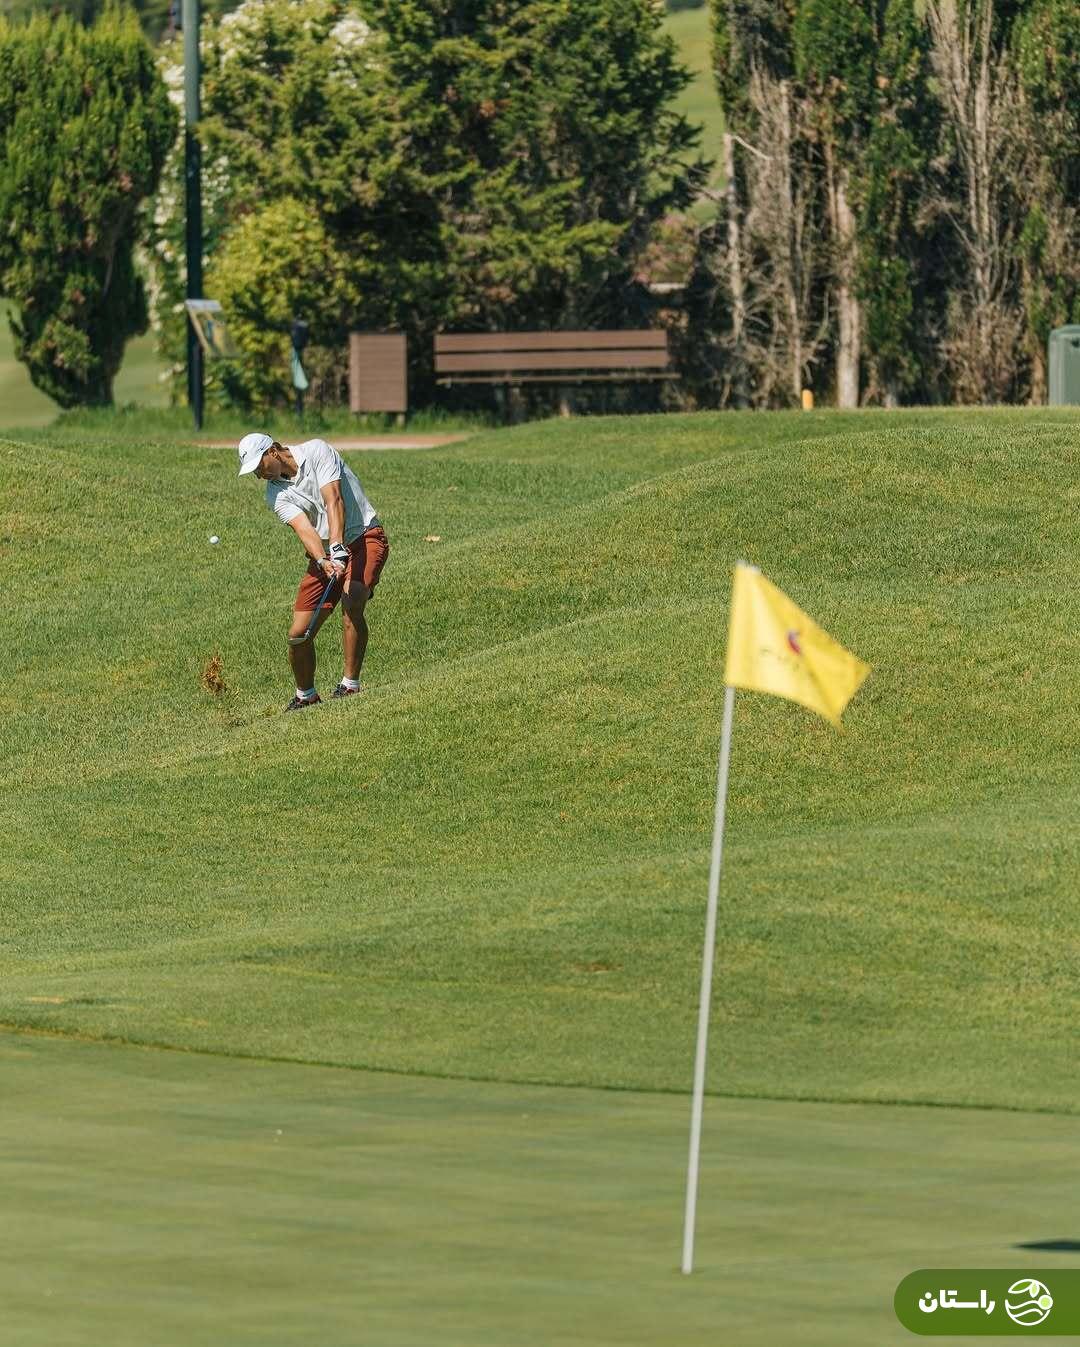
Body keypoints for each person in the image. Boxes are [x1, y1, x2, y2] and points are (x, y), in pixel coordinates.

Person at [237, 432, 390, 711]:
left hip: (365, 536)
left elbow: (334, 500)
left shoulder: (317, 451)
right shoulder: (275, 494)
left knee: (352, 598)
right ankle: (306, 694)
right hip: (326, 555)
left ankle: (350, 685)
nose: (259, 475)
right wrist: (322, 560)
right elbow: (304, 530)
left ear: (272, 451)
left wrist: (337, 545)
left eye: (259, 466)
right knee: (298, 634)